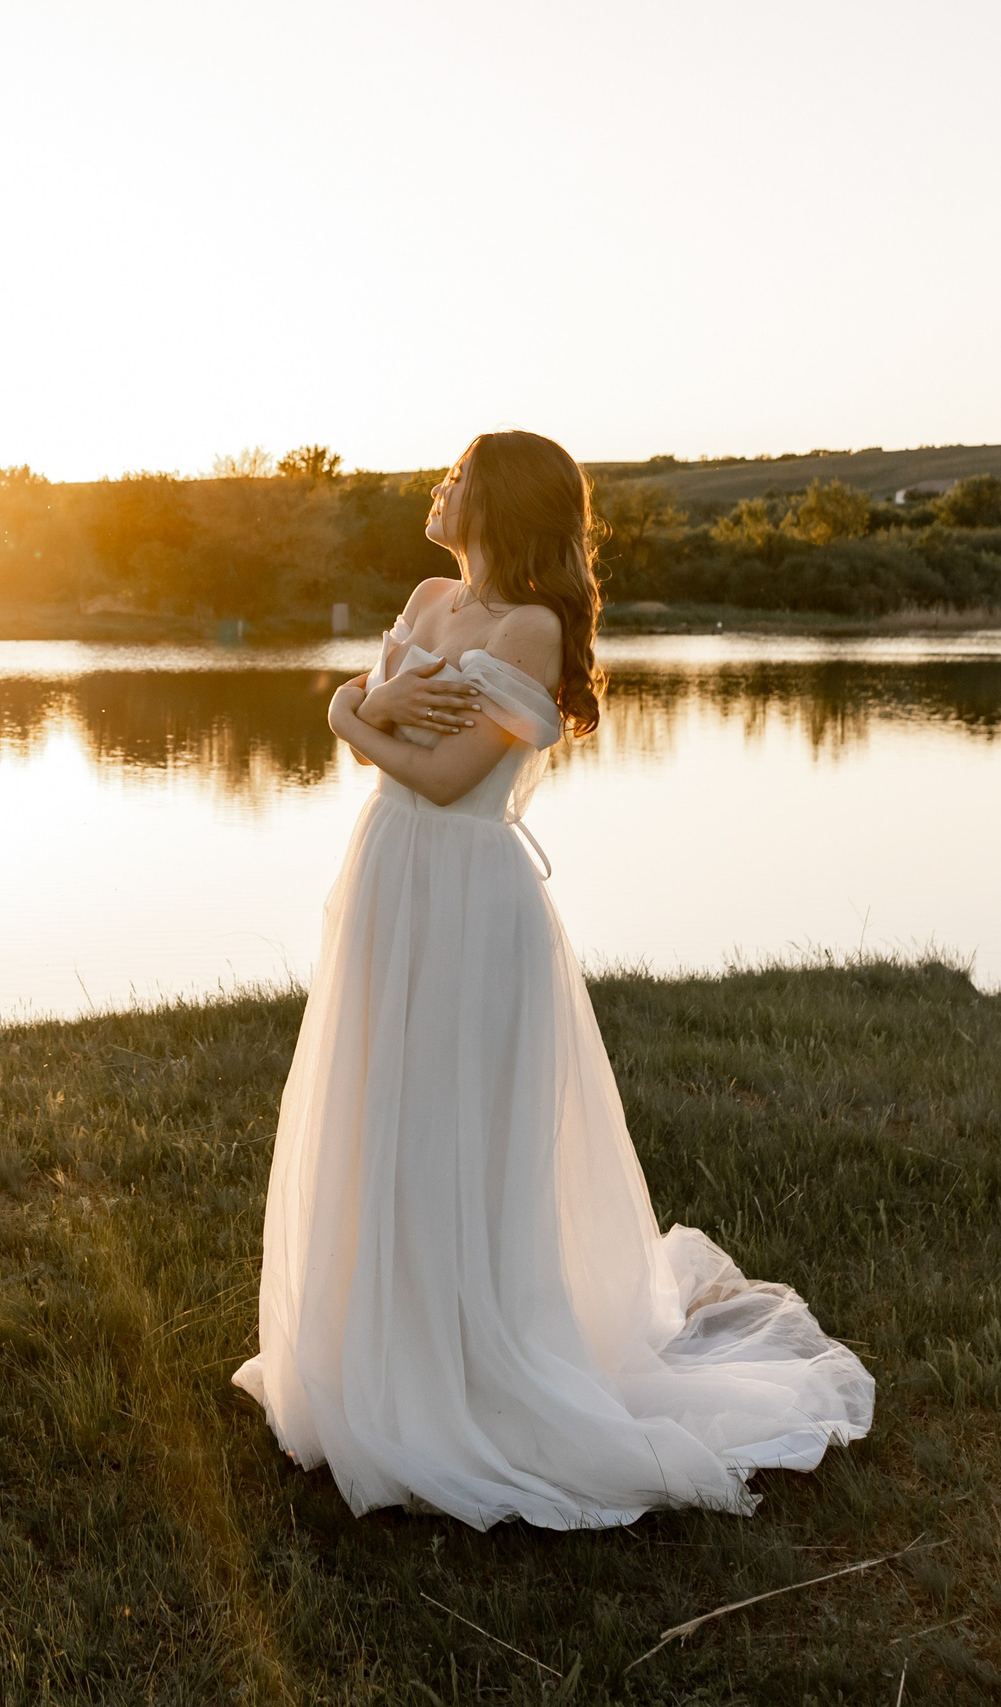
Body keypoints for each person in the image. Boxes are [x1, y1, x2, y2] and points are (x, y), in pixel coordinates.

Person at [231, 430, 873, 1529]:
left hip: (469, 899)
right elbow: (382, 716)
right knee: (378, 1110)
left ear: (497, 504)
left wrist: (347, 715)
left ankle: (470, 1373)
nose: (439, 487)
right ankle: (375, 1350)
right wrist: (363, 706)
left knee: (454, 1127)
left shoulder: (529, 629)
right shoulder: (428, 598)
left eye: (457, 476)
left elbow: (442, 778)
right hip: (388, 881)